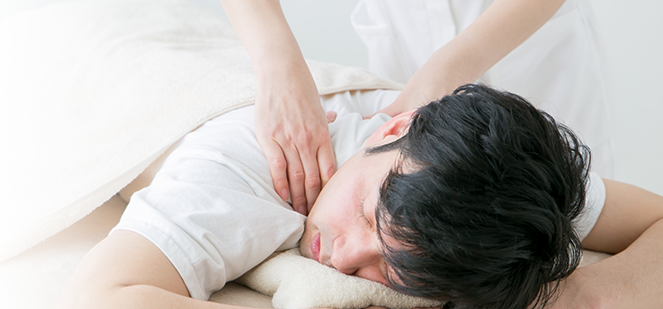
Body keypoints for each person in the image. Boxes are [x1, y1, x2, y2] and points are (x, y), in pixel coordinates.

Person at [45, 85, 663, 309]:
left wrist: (577, 298)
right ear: (391, 130)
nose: (341, 257)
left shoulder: (510, 194)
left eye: (392, 271)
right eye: (366, 213)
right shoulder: (238, 175)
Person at [220, 0, 615, 218]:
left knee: (561, 220)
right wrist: (280, 71)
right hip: (403, 46)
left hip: (527, 47)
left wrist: (445, 70)